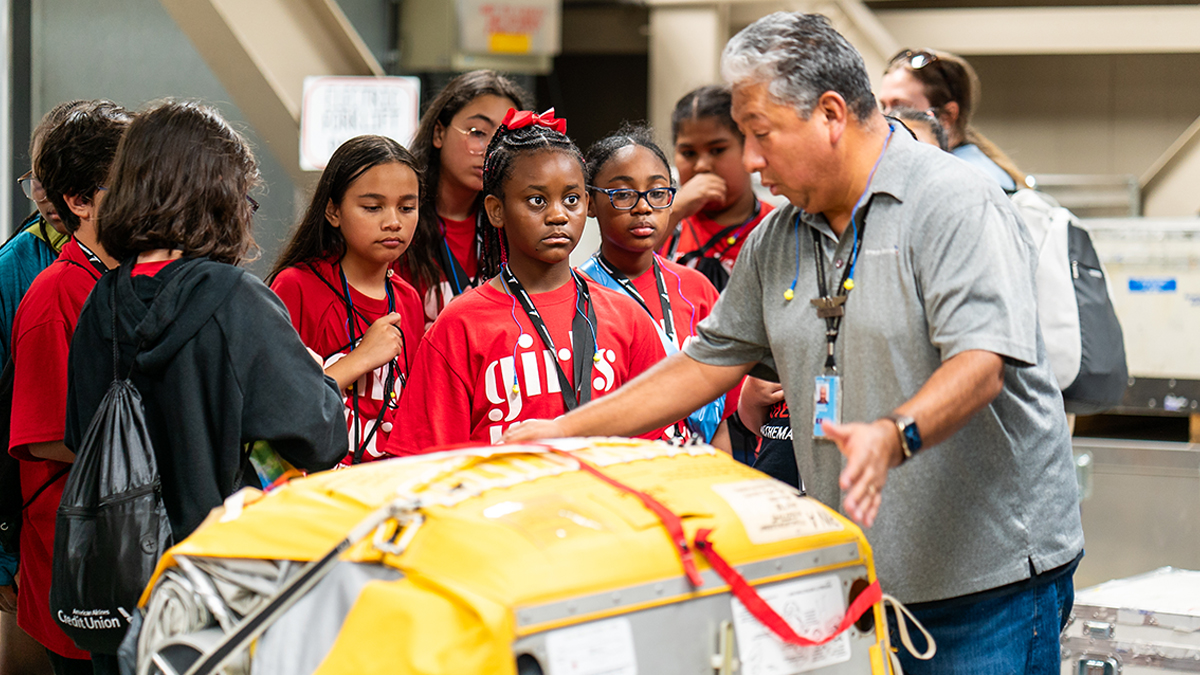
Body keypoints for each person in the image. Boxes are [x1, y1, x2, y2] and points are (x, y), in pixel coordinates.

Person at [506, 13, 1084, 674]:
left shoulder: (953, 203)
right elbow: (702, 363)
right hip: (856, 579)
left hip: (986, 586)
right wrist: (561, 432)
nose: (750, 161)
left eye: (760, 135)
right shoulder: (779, 238)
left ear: (831, 114)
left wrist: (893, 435)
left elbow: (981, 363)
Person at [63, 102, 346, 670]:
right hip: (222, 594)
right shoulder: (237, 301)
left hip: (125, 589)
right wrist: (317, 373)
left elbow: (79, 436)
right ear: (217, 196)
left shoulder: (102, 302)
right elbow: (320, 436)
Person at [387, 109, 666, 453]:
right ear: (496, 210)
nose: (558, 214)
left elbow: (654, 449)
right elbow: (424, 463)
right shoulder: (459, 326)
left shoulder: (629, 318)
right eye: (537, 200)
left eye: (572, 199)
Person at [7, 100, 131, 675]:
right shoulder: (56, 293)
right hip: (82, 554)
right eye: (128, 182)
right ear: (78, 202)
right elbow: (46, 437)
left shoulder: (125, 279)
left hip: (126, 543)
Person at [576, 124, 735, 450]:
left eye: (658, 192)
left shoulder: (696, 288)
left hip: (699, 470)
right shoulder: (577, 295)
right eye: (623, 194)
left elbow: (726, 407)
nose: (643, 207)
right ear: (590, 203)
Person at [269, 135, 425, 464]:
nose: (394, 221)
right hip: (314, 490)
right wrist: (360, 359)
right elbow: (277, 405)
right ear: (333, 211)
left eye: (407, 207)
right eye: (372, 207)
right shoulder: (297, 286)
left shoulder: (408, 299)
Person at [0, 101, 85, 675]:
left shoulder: (132, 265)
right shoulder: (21, 267)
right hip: (37, 521)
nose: (49, 196)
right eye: (39, 180)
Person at [398, 71, 532, 327]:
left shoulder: (513, 226)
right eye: (478, 132)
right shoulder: (397, 221)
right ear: (439, 133)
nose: (491, 150)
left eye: (504, 138)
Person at [662, 85, 774, 292]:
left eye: (717, 150)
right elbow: (614, 278)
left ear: (748, 148)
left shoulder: (776, 228)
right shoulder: (658, 224)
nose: (702, 165)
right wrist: (674, 211)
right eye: (688, 153)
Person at [879, 48, 1024, 192]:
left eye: (901, 107)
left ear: (947, 116)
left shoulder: (970, 182)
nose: (887, 120)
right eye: (884, 107)